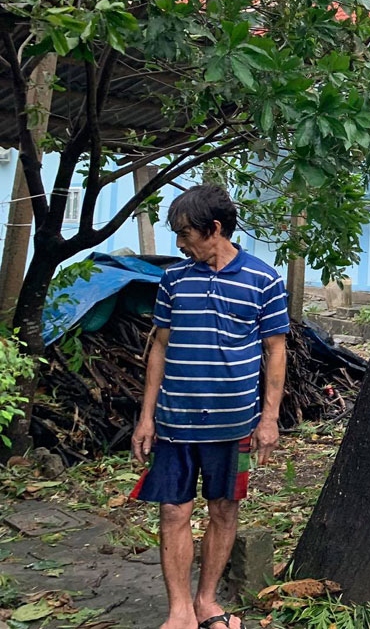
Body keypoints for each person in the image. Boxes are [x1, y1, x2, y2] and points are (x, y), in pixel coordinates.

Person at [131, 185, 289, 629]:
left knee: (223, 510)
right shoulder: (174, 280)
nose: (180, 244)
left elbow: (275, 350)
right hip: (175, 421)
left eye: (185, 234)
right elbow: (159, 348)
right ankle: (179, 611)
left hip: (233, 423)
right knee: (173, 511)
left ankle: (206, 602)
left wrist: (269, 418)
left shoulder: (264, 280)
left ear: (214, 229)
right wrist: (146, 417)